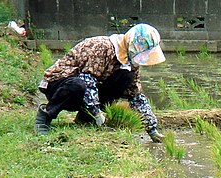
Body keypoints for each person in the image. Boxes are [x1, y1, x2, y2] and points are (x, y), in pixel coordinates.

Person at [34, 23, 166, 143]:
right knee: (78, 85)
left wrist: (152, 129)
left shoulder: (130, 62)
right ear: (133, 45)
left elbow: (136, 95)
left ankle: (85, 119)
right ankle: (45, 115)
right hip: (60, 85)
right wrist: (97, 113)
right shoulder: (101, 47)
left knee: (126, 78)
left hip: (84, 89)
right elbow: (88, 80)